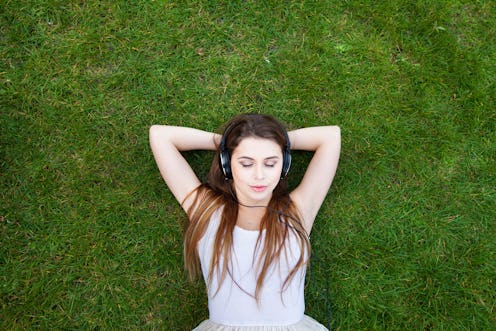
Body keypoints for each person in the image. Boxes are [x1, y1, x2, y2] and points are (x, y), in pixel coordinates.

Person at [149, 113, 341, 330]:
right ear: (227, 165)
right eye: (246, 163)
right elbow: (160, 136)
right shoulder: (208, 211)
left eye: (270, 163)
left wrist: (281, 142)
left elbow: (330, 137)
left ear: (284, 164)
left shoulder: (298, 211)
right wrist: (225, 144)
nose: (259, 176)